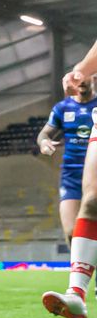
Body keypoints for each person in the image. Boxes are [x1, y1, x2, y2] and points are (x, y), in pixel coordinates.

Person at [43, 42, 97, 318]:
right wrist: (80, 70)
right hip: (70, 173)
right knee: (92, 201)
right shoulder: (63, 108)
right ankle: (76, 294)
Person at [37, 78, 97, 246]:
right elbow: (44, 134)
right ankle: (80, 268)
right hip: (71, 176)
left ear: (94, 79)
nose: (82, 82)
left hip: (95, 175)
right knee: (72, 232)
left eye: (85, 78)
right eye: (77, 80)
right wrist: (44, 142)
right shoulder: (62, 108)